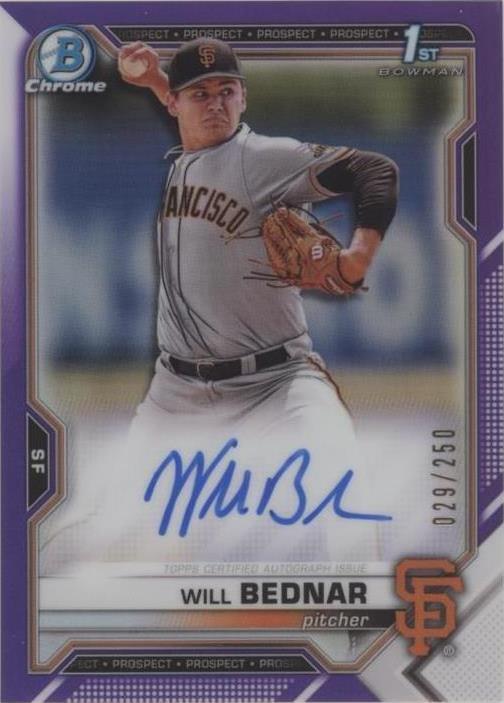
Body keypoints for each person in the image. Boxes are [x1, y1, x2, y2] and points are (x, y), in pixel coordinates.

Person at [109, 37, 400, 564]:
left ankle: (366, 607)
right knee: (118, 533)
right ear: (174, 103)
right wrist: (154, 80)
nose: (216, 104)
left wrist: (358, 256)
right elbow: (195, 124)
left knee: (341, 478)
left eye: (227, 91)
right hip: (177, 392)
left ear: (244, 98)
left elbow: (375, 170)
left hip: (277, 384)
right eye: (200, 94)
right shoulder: (190, 155)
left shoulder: (261, 158)